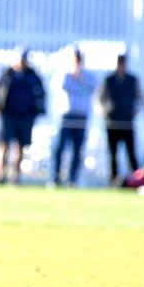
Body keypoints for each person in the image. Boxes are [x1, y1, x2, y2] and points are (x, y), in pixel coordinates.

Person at [0, 50, 45, 185]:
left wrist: (37, 111)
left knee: (21, 147)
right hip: (8, 116)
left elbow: (40, 94)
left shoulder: (32, 76)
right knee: (3, 145)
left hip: (26, 117)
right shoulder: (7, 75)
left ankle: (15, 177)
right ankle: (0, 175)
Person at [49, 50, 97, 187]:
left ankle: (73, 179)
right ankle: (55, 177)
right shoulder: (64, 74)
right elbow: (63, 87)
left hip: (81, 117)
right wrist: (76, 80)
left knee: (78, 149)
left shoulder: (89, 76)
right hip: (66, 116)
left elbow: (91, 88)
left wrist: (79, 80)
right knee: (60, 147)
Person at [98, 54, 143, 186]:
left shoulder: (132, 79)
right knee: (113, 154)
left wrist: (136, 110)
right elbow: (99, 98)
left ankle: (137, 180)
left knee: (131, 153)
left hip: (127, 122)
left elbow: (140, 97)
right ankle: (114, 181)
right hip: (112, 123)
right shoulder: (108, 79)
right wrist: (104, 111)